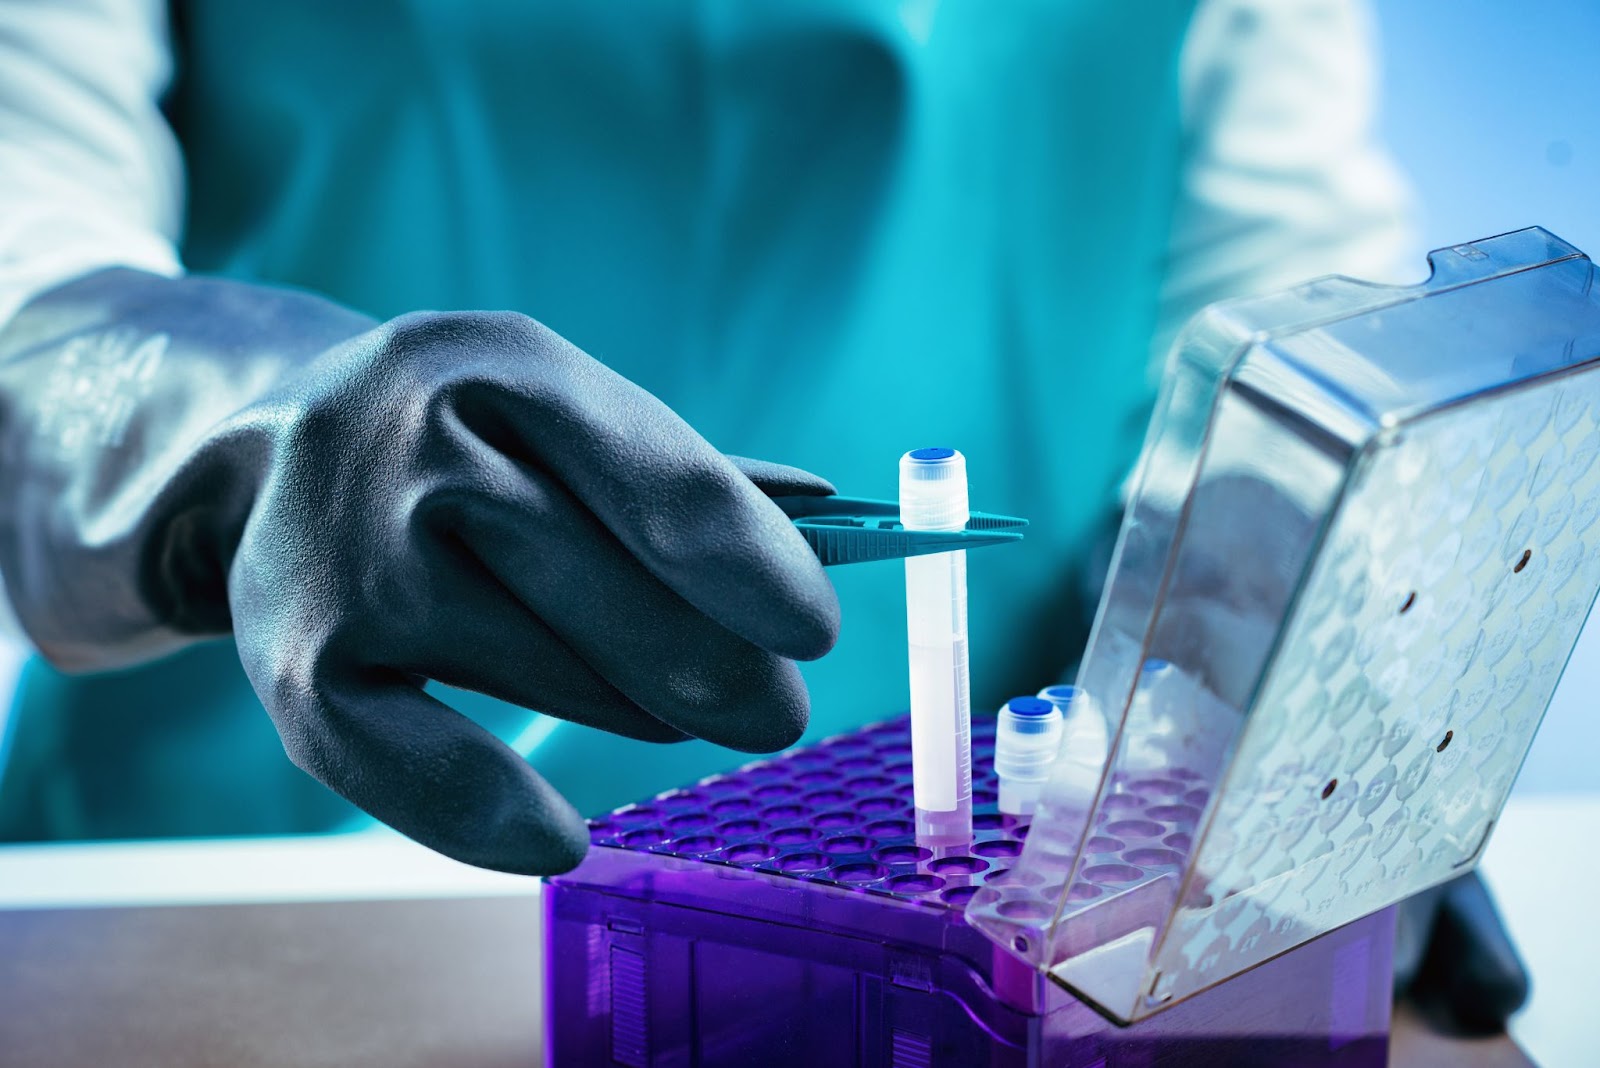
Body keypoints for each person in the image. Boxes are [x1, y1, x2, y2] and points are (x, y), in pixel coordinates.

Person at [0, 0, 1524, 1031]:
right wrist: (233, 431)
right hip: (242, 885)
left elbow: (1263, 300)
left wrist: (1300, 680)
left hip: (962, 930)